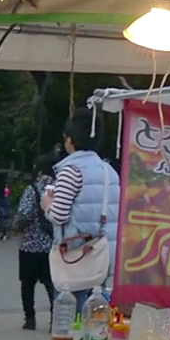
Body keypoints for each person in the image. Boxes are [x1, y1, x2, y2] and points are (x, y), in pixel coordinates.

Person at [44, 111, 120, 320]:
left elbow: (58, 215)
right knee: (94, 320)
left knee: (69, 320)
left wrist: (47, 204)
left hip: (75, 258)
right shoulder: (109, 172)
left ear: (69, 140)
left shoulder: (71, 171)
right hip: (103, 257)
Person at [17, 154, 58, 332]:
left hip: (30, 245)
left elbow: (24, 214)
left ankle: (30, 319)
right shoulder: (60, 190)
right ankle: (55, 319)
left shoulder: (32, 189)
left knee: (27, 284)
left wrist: (19, 225)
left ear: (39, 170)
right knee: (52, 285)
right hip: (51, 245)